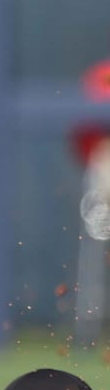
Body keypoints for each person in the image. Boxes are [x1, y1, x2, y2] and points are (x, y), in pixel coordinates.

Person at [70, 59, 110, 346]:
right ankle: (89, 327)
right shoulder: (101, 74)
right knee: (94, 256)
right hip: (102, 172)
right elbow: (82, 135)